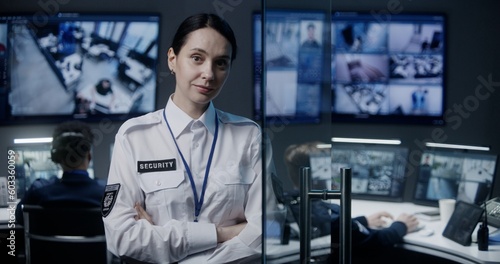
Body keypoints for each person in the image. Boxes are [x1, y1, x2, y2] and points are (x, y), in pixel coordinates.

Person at [102, 13, 277, 264]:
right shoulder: (134, 137)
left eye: (221, 63)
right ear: (172, 59)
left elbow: (268, 230)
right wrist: (223, 233)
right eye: (197, 58)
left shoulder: (250, 137)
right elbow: (122, 237)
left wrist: (165, 243)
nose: (209, 73)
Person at [282, 142, 420, 262]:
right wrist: (402, 224)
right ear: (318, 175)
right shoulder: (333, 218)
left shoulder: (290, 202)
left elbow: (334, 228)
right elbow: (378, 241)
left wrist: (363, 221)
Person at [15, 121, 105, 225]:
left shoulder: (39, 191)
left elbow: (20, 218)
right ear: (89, 157)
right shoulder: (105, 192)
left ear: (56, 158)